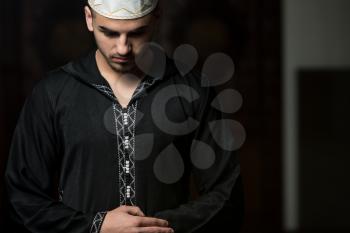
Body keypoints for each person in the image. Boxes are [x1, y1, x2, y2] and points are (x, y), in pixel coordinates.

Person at [5, 0, 244, 232]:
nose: (122, 48)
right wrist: (96, 226)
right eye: (108, 33)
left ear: (156, 17)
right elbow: (22, 197)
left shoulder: (194, 90)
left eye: (136, 32)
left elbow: (227, 196)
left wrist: (156, 229)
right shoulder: (52, 93)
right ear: (89, 18)